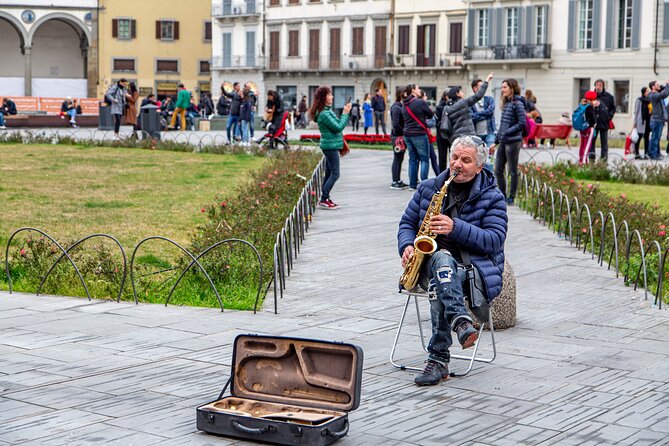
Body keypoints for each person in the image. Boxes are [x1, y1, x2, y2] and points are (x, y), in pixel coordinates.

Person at [397, 135, 508, 386]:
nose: (457, 164)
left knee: (442, 274)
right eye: (454, 158)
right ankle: (461, 322)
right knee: (441, 263)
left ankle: (437, 360)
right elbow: (406, 224)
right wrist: (406, 246)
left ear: (480, 167)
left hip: (472, 270)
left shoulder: (493, 197)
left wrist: (455, 228)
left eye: (465, 160)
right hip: (427, 266)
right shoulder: (428, 188)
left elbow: (494, 239)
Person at [440, 72, 494, 172]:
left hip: (456, 139)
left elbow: (445, 126)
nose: (463, 93)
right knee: (472, 160)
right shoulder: (463, 103)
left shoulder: (447, 108)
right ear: (457, 93)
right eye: (461, 91)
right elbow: (478, 95)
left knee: (457, 161)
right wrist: (486, 81)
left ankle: (455, 179)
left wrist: (451, 139)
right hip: (468, 137)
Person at [309, 86, 351, 209]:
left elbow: (336, 126)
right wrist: (345, 113)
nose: (332, 97)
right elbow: (338, 127)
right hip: (330, 146)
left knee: (328, 173)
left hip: (331, 145)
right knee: (335, 174)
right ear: (323, 98)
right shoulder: (324, 114)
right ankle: (323, 198)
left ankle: (325, 197)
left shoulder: (326, 111)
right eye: (329, 95)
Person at [490, 78, 526, 205]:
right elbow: (503, 125)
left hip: (513, 142)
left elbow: (522, 123)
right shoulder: (507, 103)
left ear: (512, 88)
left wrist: (508, 132)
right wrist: (496, 141)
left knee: (512, 170)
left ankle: (511, 197)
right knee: (498, 169)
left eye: (505, 87)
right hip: (504, 141)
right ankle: (502, 195)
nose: (502, 90)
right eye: (502, 87)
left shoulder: (518, 103)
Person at [402, 83, 434, 190]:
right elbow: (430, 114)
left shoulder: (404, 103)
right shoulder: (420, 102)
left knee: (413, 159)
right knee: (424, 159)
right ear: (413, 90)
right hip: (419, 133)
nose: (419, 90)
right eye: (418, 88)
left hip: (407, 134)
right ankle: (424, 184)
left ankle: (412, 184)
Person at [470, 78, 496, 150]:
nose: (484, 88)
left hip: (490, 132)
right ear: (475, 88)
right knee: (478, 157)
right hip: (476, 134)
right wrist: (486, 114)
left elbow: (491, 111)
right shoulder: (470, 102)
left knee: (490, 156)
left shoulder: (489, 99)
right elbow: (472, 117)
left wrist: (478, 114)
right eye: (481, 86)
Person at [593, 80, 616, 160]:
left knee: (604, 142)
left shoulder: (609, 97)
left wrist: (609, 117)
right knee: (592, 142)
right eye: (597, 85)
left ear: (603, 86)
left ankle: (604, 160)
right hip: (593, 123)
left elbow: (613, 108)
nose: (598, 87)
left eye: (600, 85)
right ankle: (591, 158)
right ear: (595, 86)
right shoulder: (591, 96)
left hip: (604, 122)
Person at [390, 89, 408, 190]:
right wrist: (403, 132)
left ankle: (398, 179)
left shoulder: (399, 106)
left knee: (400, 158)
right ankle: (394, 181)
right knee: (397, 158)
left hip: (399, 135)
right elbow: (396, 124)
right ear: (401, 94)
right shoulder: (396, 107)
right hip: (397, 136)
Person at [648, 79, 669, 160]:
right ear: (653, 87)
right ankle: (652, 154)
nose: (659, 85)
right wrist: (667, 84)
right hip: (656, 120)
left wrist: (664, 86)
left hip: (659, 119)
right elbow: (665, 93)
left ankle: (656, 153)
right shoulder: (653, 95)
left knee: (657, 138)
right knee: (655, 138)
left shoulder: (656, 93)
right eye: (657, 84)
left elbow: (663, 90)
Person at [578, 91, 598, 165]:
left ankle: (581, 160)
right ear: (592, 99)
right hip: (589, 128)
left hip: (582, 128)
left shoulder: (582, 105)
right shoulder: (590, 107)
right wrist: (595, 123)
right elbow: (593, 119)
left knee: (582, 144)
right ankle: (583, 162)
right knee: (587, 146)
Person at [632, 87, 650, 160]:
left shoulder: (649, 101)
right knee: (638, 138)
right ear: (644, 92)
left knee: (647, 138)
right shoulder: (639, 100)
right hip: (640, 121)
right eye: (648, 91)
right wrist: (635, 123)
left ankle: (646, 153)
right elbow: (636, 112)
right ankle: (637, 153)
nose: (649, 92)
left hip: (647, 121)